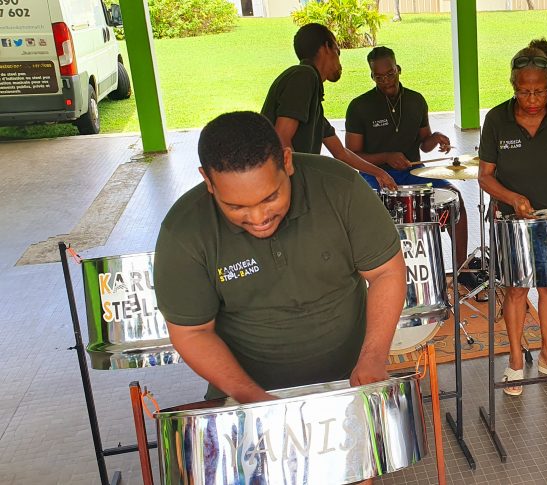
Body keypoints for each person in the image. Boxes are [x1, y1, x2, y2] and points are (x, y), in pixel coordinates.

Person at [154, 111, 406, 412]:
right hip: (245, 401)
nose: (258, 218)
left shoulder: (341, 188)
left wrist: (373, 358)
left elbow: (386, 273)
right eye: (235, 206)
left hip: (349, 384)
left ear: (287, 162)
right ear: (207, 180)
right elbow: (192, 332)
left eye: (270, 198)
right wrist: (251, 397)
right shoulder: (184, 231)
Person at [478, 39, 547, 395]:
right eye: (524, 92)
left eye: (540, 91)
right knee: (516, 289)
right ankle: (514, 360)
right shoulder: (497, 119)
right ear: (514, 87)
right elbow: (485, 176)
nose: (532, 99)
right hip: (513, 218)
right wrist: (512, 198)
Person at [345, 46, 470, 272]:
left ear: (398, 69)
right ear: (372, 76)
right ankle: (383, 271)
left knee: (455, 199)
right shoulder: (359, 107)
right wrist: (386, 157)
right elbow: (351, 154)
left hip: (414, 173)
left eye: (390, 73)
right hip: (375, 175)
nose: (385, 81)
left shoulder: (415, 101)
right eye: (379, 77)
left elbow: (424, 143)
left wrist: (435, 138)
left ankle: (462, 270)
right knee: (379, 210)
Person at [260, 23, 396, 190]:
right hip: (274, 185)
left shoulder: (312, 99)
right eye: (338, 52)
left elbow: (341, 153)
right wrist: (299, 185)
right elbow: (281, 137)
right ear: (326, 47)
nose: (340, 63)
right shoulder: (304, 76)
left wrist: (380, 173)